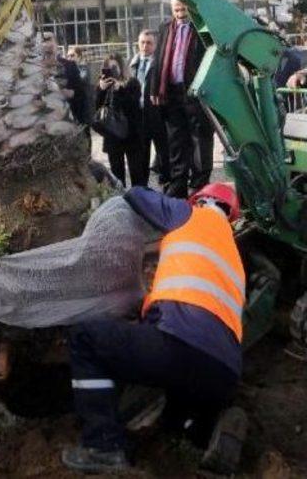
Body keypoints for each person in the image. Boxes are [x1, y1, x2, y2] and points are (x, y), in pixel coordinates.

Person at [63, 182, 246, 475]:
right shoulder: (234, 259)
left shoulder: (189, 214)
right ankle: (200, 433)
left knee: (85, 337)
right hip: (224, 372)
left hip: (178, 348)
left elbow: (137, 195)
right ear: (231, 217)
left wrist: (104, 178)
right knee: (177, 413)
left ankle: (102, 445)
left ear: (200, 200)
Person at [150, 0, 214, 198]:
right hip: (171, 93)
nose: (180, 12)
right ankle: (178, 183)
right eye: (176, 9)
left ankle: (200, 184)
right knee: (176, 140)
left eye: (183, 8)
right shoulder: (165, 28)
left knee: (199, 140)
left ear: (189, 7)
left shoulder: (203, 29)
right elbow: (158, 58)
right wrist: (154, 88)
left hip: (195, 93)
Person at [93, 55, 143, 187]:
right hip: (112, 135)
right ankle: (121, 199)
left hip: (131, 134)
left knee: (137, 172)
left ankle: (139, 199)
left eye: (114, 67)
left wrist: (121, 89)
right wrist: (100, 90)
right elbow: (96, 108)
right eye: (108, 68)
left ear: (121, 67)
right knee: (117, 173)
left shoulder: (132, 82)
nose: (112, 71)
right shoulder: (103, 85)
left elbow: (134, 106)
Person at [129, 30, 170, 187]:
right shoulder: (132, 63)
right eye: (142, 42)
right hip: (138, 117)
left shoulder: (160, 63)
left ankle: (167, 184)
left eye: (149, 43)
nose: (145, 46)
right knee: (141, 156)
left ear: (156, 44)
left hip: (157, 115)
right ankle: (141, 189)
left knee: (164, 153)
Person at [42, 33, 90, 125]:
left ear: (56, 46)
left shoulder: (70, 66)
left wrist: (67, 92)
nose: (47, 47)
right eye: (43, 43)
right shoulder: (33, 70)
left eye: (50, 45)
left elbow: (81, 94)